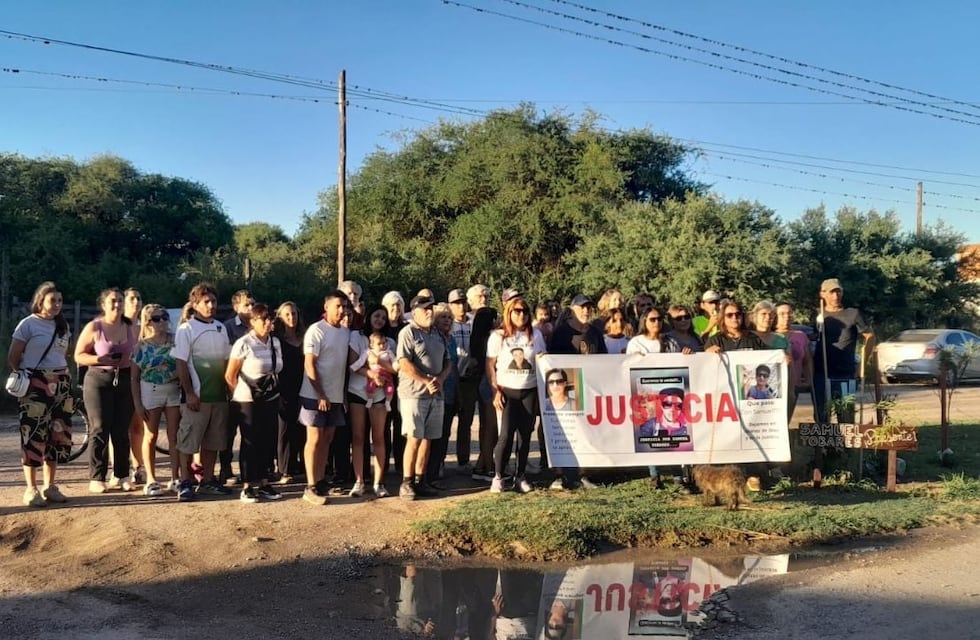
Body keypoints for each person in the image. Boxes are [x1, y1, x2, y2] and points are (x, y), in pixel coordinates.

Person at [7, 282, 73, 507]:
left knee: (57, 434)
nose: (57, 305)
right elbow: (13, 357)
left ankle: (50, 485)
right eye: (52, 300)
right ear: (41, 301)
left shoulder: (62, 325)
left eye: (60, 301)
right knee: (33, 433)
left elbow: (64, 354)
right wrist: (28, 377)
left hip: (61, 382)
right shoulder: (28, 324)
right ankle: (31, 488)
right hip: (36, 384)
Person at [172, 282, 232, 501]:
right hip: (197, 397)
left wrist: (229, 390)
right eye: (206, 301)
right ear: (195, 304)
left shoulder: (221, 327)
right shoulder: (186, 329)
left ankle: (207, 480)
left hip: (219, 396)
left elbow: (226, 361)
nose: (211, 305)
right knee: (188, 441)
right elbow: (180, 363)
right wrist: (189, 393)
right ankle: (185, 482)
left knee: (213, 442)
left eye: (214, 301)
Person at [298, 290, 359, 505]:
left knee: (327, 438)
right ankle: (310, 485)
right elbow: (309, 364)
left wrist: (339, 396)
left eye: (345, 306)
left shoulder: (345, 332)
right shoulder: (316, 330)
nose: (342, 310)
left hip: (335, 397)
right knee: (314, 439)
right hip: (314, 395)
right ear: (326, 307)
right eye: (338, 306)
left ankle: (321, 479)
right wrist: (320, 393)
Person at [75, 287, 137, 493]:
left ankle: (122, 474)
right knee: (100, 427)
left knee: (121, 429)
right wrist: (98, 359)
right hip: (98, 380)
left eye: (120, 300)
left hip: (125, 379)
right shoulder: (94, 327)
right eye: (113, 301)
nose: (117, 304)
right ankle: (97, 476)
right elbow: (78, 356)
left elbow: (139, 354)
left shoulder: (131, 327)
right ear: (103, 305)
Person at [224, 303, 284, 503]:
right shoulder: (243, 343)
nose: (268, 323)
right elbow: (230, 375)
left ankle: (265, 481)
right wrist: (239, 394)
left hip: (270, 396)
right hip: (247, 398)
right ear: (253, 321)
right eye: (263, 319)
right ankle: (248, 485)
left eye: (270, 319)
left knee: (268, 439)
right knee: (250, 440)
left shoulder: (275, 342)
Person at [487, 297, 547, 494]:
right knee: (505, 435)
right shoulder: (499, 336)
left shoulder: (535, 335)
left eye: (524, 311)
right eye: (517, 311)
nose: (521, 315)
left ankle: (520, 475)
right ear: (509, 313)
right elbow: (491, 365)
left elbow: (541, 363)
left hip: (528, 391)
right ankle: (498, 476)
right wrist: (496, 391)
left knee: (524, 437)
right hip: (507, 391)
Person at [395, 295, 451, 500]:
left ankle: (421, 480)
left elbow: (448, 361)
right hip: (413, 395)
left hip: (436, 395)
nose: (429, 312)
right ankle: (406, 482)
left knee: (428, 438)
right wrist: (424, 380)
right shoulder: (408, 332)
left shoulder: (437, 333)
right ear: (415, 311)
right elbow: (403, 362)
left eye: (431, 308)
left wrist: (441, 379)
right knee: (414, 438)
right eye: (425, 309)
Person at [130, 303, 181, 496]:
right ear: (148, 322)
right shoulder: (141, 346)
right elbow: (134, 377)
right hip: (150, 390)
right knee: (150, 435)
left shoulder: (176, 341)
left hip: (173, 389)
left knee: (173, 435)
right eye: (157, 319)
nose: (162, 322)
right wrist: (137, 403)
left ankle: (175, 477)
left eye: (165, 317)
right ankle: (151, 479)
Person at [347, 304, 395, 498]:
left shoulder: (389, 341)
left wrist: (381, 367)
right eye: (377, 316)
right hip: (358, 391)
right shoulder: (356, 337)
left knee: (379, 437)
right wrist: (370, 374)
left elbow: (395, 368)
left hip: (381, 394)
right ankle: (359, 481)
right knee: (358, 437)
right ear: (368, 317)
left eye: (383, 318)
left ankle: (379, 482)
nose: (380, 320)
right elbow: (353, 364)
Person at [813, 278, 874, 424]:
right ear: (822, 294)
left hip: (846, 373)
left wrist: (861, 366)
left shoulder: (852, 314)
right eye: (832, 292)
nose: (835, 296)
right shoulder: (816, 315)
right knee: (822, 414)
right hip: (821, 373)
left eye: (838, 292)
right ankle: (824, 447)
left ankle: (846, 446)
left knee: (846, 415)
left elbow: (869, 336)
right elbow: (808, 339)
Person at [219, 289, 255, 485]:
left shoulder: (258, 325)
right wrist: (230, 386)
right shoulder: (228, 327)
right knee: (229, 430)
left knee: (250, 431)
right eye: (246, 305)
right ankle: (225, 468)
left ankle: (250, 470)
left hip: (254, 387)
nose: (250, 308)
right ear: (236, 307)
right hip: (233, 384)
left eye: (252, 304)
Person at [467, 284, 500, 483]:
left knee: (488, 425)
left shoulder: (482, 324)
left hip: (484, 378)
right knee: (490, 426)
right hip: (488, 379)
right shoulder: (487, 324)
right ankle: (489, 466)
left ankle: (482, 465)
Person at [425, 303, 459, 486]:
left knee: (445, 432)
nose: (447, 321)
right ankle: (428, 471)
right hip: (436, 391)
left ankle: (439, 464)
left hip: (452, 390)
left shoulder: (452, 339)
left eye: (449, 318)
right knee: (434, 434)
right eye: (443, 317)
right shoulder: (433, 338)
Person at [273, 301, 306, 483]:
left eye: (294, 313)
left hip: (303, 387)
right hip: (283, 389)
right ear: (280, 317)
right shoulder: (276, 339)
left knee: (300, 428)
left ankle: (297, 465)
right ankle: (284, 469)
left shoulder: (305, 337)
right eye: (287, 314)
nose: (291, 317)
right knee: (283, 429)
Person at [380, 290, 408, 476]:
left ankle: (401, 464)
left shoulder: (407, 328)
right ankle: (383, 465)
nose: (395, 309)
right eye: (391, 305)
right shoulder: (381, 330)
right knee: (383, 425)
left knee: (401, 424)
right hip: (383, 382)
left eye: (398, 305)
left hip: (404, 382)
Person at [447, 288, 475, 470]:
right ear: (450, 305)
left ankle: (463, 460)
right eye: (456, 303)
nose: (461, 306)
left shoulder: (473, 323)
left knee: (466, 420)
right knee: (446, 420)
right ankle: (439, 459)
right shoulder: (448, 324)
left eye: (463, 302)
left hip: (469, 378)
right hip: (451, 377)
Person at [123, 287, 147, 484]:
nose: (136, 302)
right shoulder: (117, 325)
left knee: (138, 425)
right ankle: (118, 469)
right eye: (132, 298)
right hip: (120, 378)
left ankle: (138, 466)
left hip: (141, 380)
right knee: (119, 427)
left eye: (138, 298)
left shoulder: (144, 326)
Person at [775, 301, 813, 420]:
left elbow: (807, 361)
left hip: (793, 387)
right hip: (773, 389)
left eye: (789, 313)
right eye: (782, 314)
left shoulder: (800, 336)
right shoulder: (768, 336)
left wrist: (809, 380)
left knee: (786, 420)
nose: (787, 317)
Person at [364, 331, 396, 410]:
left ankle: (388, 402)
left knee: (390, 388)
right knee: (370, 386)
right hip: (374, 373)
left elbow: (395, 363)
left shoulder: (388, 352)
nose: (382, 345)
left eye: (384, 343)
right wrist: (354, 366)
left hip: (386, 374)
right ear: (372, 345)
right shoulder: (370, 352)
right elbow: (360, 361)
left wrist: (379, 361)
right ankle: (370, 399)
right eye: (379, 344)